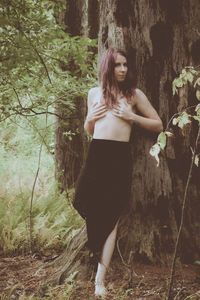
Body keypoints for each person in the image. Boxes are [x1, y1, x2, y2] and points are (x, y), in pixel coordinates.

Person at [73, 47, 163, 297]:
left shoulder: (133, 94)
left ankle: (99, 281)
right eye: (118, 65)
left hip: (118, 159)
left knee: (111, 219)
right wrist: (89, 117)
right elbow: (90, 130)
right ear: (108, 67)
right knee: (83, 200)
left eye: (125, 65)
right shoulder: (94, 93)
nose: (123, 69)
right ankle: (95, 249)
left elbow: (158, 124)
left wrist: (131, 117)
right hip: (96, 155)